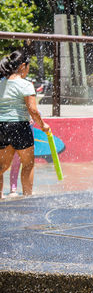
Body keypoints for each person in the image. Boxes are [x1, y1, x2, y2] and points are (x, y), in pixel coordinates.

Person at [0, 50, 50, 197]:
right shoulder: (25, 85)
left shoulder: (1, 83)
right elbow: (33, 110)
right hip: (20, 127)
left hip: (1, 127)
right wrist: (43, 125)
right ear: (23, 66)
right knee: (27, 165)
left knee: (2, 167)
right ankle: (27, 197)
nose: (28, 70)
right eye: (28, 67)